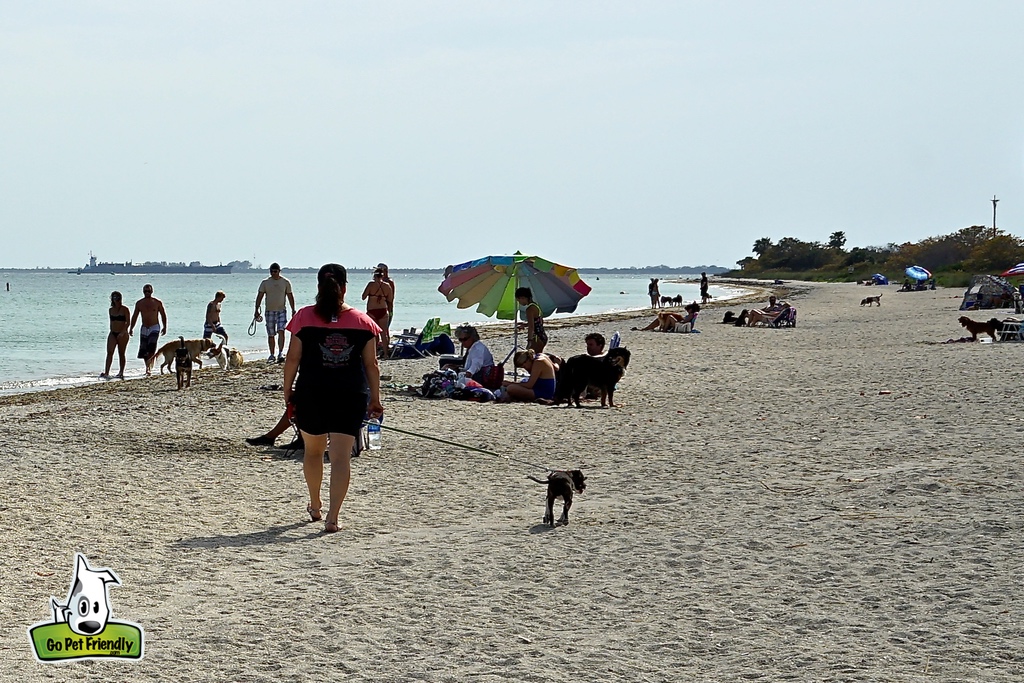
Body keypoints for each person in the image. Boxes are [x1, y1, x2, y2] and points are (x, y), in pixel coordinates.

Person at [283, 263, 383, 534]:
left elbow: (293, 359)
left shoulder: (303, 318)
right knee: (341, 458)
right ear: (346, 288)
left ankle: (315, 504)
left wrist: (287, 390)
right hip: (350, 394)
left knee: (313, 452)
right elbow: (371, 365)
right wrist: (375, 399)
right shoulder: (364, 322)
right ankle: (332, 517)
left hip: (312, 392)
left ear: (318, 287)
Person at [255, 263, 296, 363]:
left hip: (281, 310)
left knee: (281, 330)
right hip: (269, 311)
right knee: (271, 334)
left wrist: (293, 309)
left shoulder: (285, 282)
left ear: (279, 271)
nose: (273, 273)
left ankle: (281, 352)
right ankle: (272, 354)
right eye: (272, 271)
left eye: (275, 271)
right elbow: (259, 296)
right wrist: (256, 310)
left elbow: (290, 296)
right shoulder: (265, 282)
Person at [128, 284, 167, 375]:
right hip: (144, 327)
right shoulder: (139, 303)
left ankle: (149, 368)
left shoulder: (157, 302)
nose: (147, 293)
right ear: (143, 292)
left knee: (151, 347)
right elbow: (135, 316)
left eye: (148, 291)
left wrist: (165, 327)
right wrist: (131, 328)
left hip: (154, 327)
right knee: (144, 349)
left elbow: (163, 315)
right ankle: (147, 367)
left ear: (152, 291)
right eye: (145, 291)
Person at [361, 268, 394, 354]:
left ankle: (374, 353)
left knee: (374, 334)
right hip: (383, 310)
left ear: (374, 275)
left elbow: (363, 297)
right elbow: (390, 299)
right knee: (384, 334)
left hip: (372, 311)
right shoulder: (387, 286)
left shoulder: (371, 284)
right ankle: (386, 354)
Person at [101, 291, 131, 379]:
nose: (116, 300)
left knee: (121, 353)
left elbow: (128, 322)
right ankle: (106, 372)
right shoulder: (111, 310)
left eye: (118, 298)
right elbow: (111, 322)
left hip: (123, 333)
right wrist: (111, 332)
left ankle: (121, 372)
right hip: (113, 333)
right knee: (109, 352)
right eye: (114, 298)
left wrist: (123, 331)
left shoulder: (125, 309)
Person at [515, 287, 547, 353]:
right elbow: (539, 321)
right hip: (542, 335)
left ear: (523, 298)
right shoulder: (535, 306)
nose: (519, 303)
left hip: (537, 338)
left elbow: (531, 327)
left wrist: (529, 341)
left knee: (533, 359)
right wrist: (525, 324)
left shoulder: (529, 309)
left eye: (519, 300)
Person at [633, 303, 700, 332]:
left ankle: (663, 329)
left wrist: (679, 321)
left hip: (682, 326)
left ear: (691, 309)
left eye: (688, 310)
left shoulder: (691, 314)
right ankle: (646, 328)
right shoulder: (692, 314)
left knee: (669, 317)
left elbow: (685, 321)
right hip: (681, 325)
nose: (687, 311)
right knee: (660, 319)